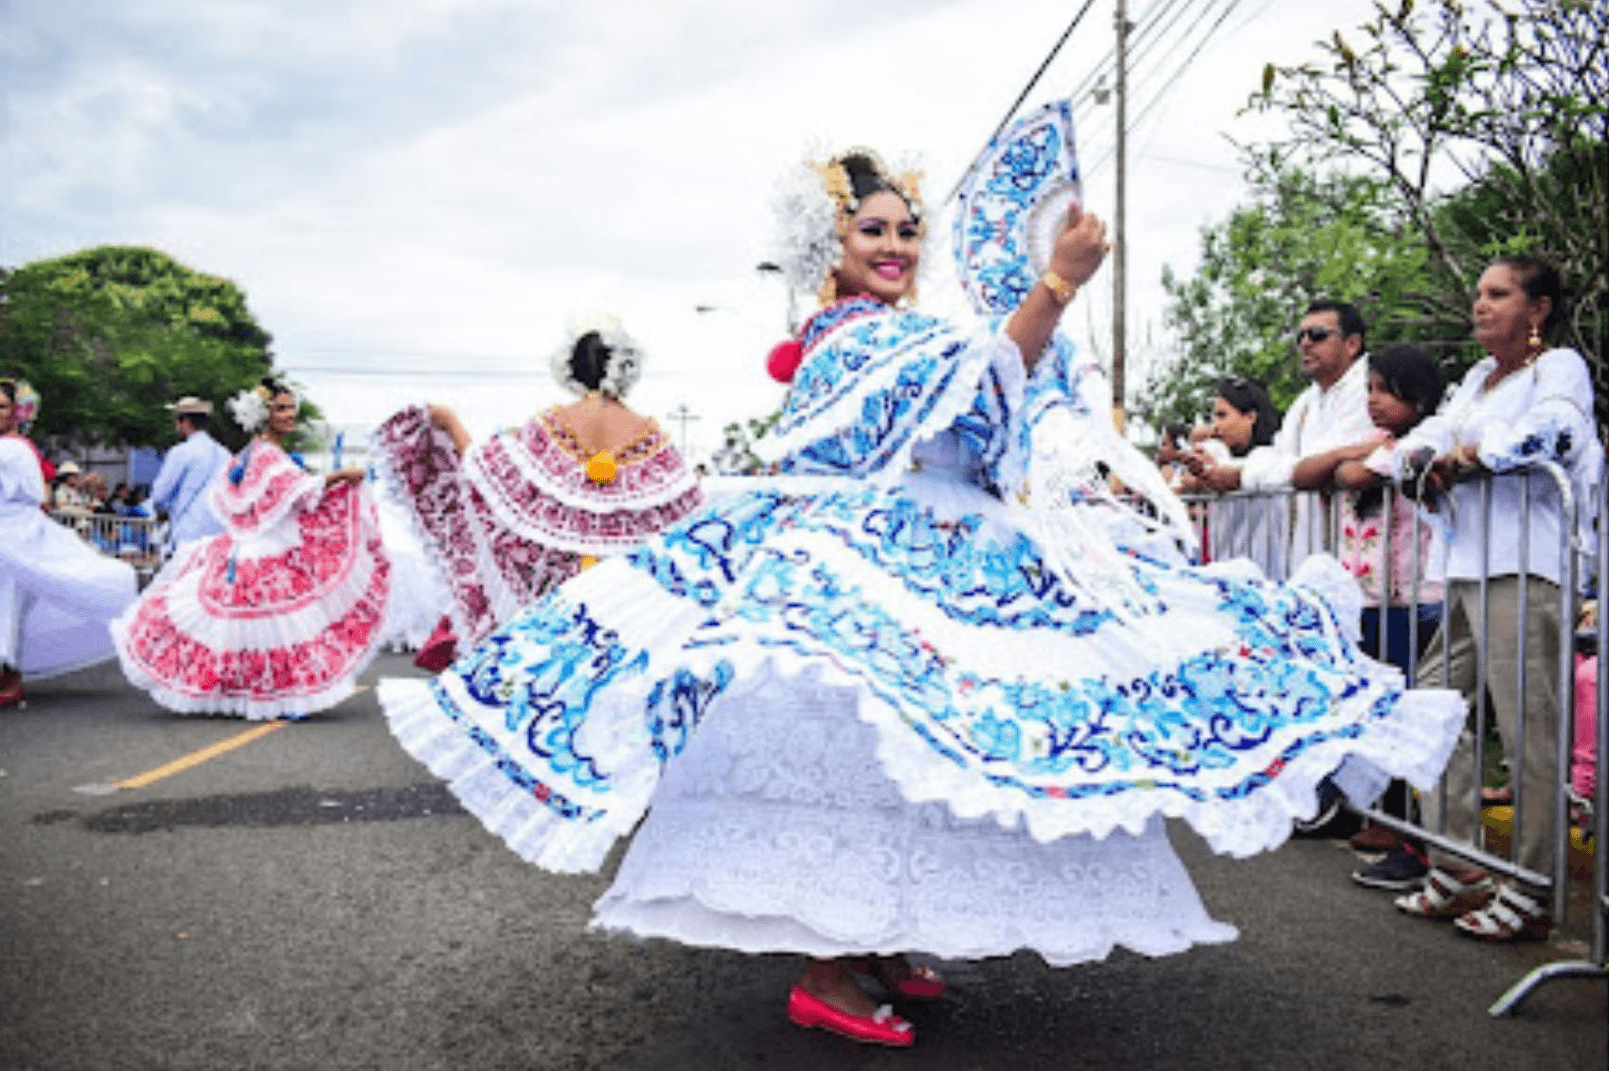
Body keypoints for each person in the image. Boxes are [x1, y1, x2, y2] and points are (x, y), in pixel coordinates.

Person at [376, 147, 1465, 1049]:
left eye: (905, 233)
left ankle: (876, 940)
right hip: (871, 560)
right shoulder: (849, 339)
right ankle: (833, 964)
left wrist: (1048, 350)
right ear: (833, 253)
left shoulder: (903, 330)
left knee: (928, 758)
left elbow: (992, 406)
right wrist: (1054, 290)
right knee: (869, 755)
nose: (895, 248)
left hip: (949, 548)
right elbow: (970, 381)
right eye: (873, 234)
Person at [1367, 256, 1603, 940]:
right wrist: (1425, 458)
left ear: (1537, 309)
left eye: (1497, 294)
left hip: (1527, 567)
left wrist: (1470, 456)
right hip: (1468, 567)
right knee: (1430, 704)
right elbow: (1420, 441)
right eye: (1477, 293)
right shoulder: (1476, 379)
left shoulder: (1559, 369)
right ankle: (1459, 865)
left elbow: (1555, 433)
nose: (1480, 304)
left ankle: (1531, 885)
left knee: (1531, 728)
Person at [369, 313, 704, 668]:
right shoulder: (650, 434)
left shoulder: (551, 424)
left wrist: (451, 423)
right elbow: (689, 510)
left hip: (560, 593)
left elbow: (487, 476)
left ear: (570, 369)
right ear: (626, 368)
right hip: (624, 593)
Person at [111, 377, 391, 719]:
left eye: (291, 408)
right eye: (281, 408)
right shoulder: (263, 452)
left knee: (264, 629)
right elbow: (293, 489)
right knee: (274, 627)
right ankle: (276, 694)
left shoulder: (259, 450)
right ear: (264, 415)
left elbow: (273, 491)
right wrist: (339, 476)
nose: (289, 415)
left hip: (260, 542)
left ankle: (270, 694)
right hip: (260, 549)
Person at [1290, 343, 1449, 855]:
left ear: (1418, 395)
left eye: (1385, 390)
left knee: (1401, 710)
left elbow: (1353, 477)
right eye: (1369, 390)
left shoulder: (1426, 439)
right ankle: (1381, 814)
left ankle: (1407, 828)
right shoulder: (1376, 442)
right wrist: (1348, 453)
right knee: (1374, 710)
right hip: (1369, 599)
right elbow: (1308, 474)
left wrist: (1354, 459)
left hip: (1411, 597)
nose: (1374, 402)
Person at [1191, 301, 1376, 567]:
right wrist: (1219, 470)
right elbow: (1279, 454)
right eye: (1301, 336)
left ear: (1352, 344)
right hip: (1313, 550)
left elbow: (1318, 461)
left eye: (1318, 334)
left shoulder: (1368, 391)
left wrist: (1239, 476)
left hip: (1362, 552)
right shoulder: (1306, 401)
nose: (1305, 344)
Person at [0, 378, 138, 708]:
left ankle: (8, 681)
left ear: (16, 412)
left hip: (10, 536)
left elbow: (32, 494)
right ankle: (8, 677)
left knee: (5, 605)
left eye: (1, 406)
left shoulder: (12, 449)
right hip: (10, 533)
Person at [1183, 375, 1289, 581]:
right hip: (1226, 569)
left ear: (1250, 416)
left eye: (1222, 416)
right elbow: (1188, 479)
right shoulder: (1221, 455)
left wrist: (1213, 473)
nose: (1215, 426)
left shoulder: (1269, 456)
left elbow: (1246, 472)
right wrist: (1199, 476)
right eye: (1214, 418)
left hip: (1262, 575)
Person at [149, 396, 232, 551]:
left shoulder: (181, 452)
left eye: (177, 420)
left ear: (185, 421)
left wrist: (164, 509)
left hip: (189, 535)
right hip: (221, 536)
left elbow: (159, 495)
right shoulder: (226, 454)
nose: (176, 426)